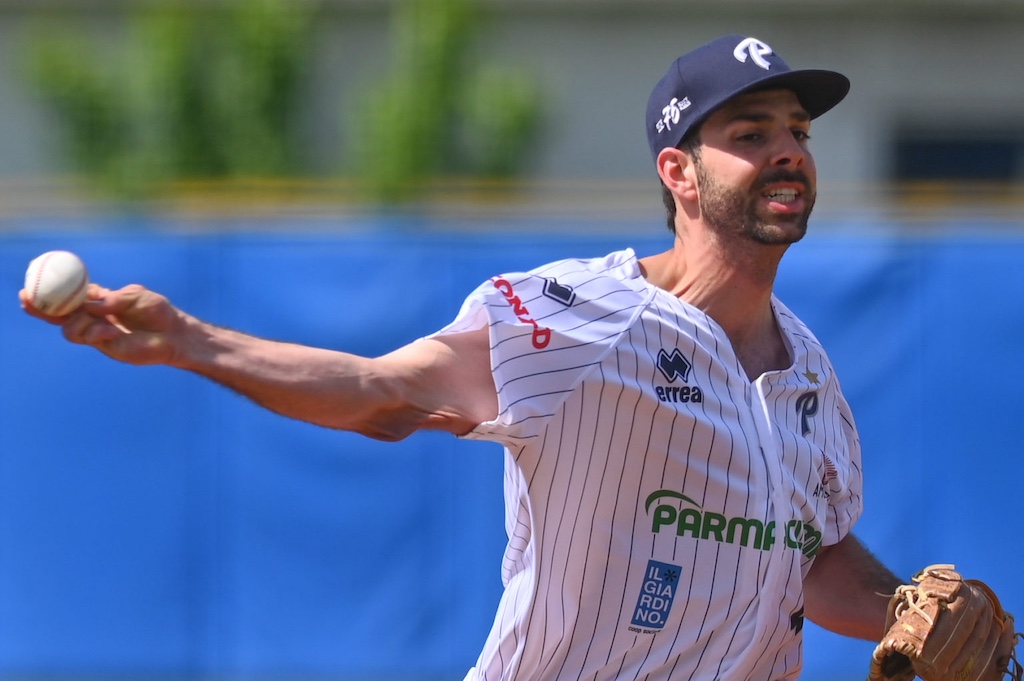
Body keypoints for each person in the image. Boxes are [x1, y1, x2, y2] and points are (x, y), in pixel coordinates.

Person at [22, 34, 905, 681]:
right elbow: (382, 392)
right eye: (750, 133)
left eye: (798, 132)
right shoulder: (587, 312)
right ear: (678, 172)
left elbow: (811, 554)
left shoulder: (810, 373)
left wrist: (904, 612)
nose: (788, 149)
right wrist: (190, 340)